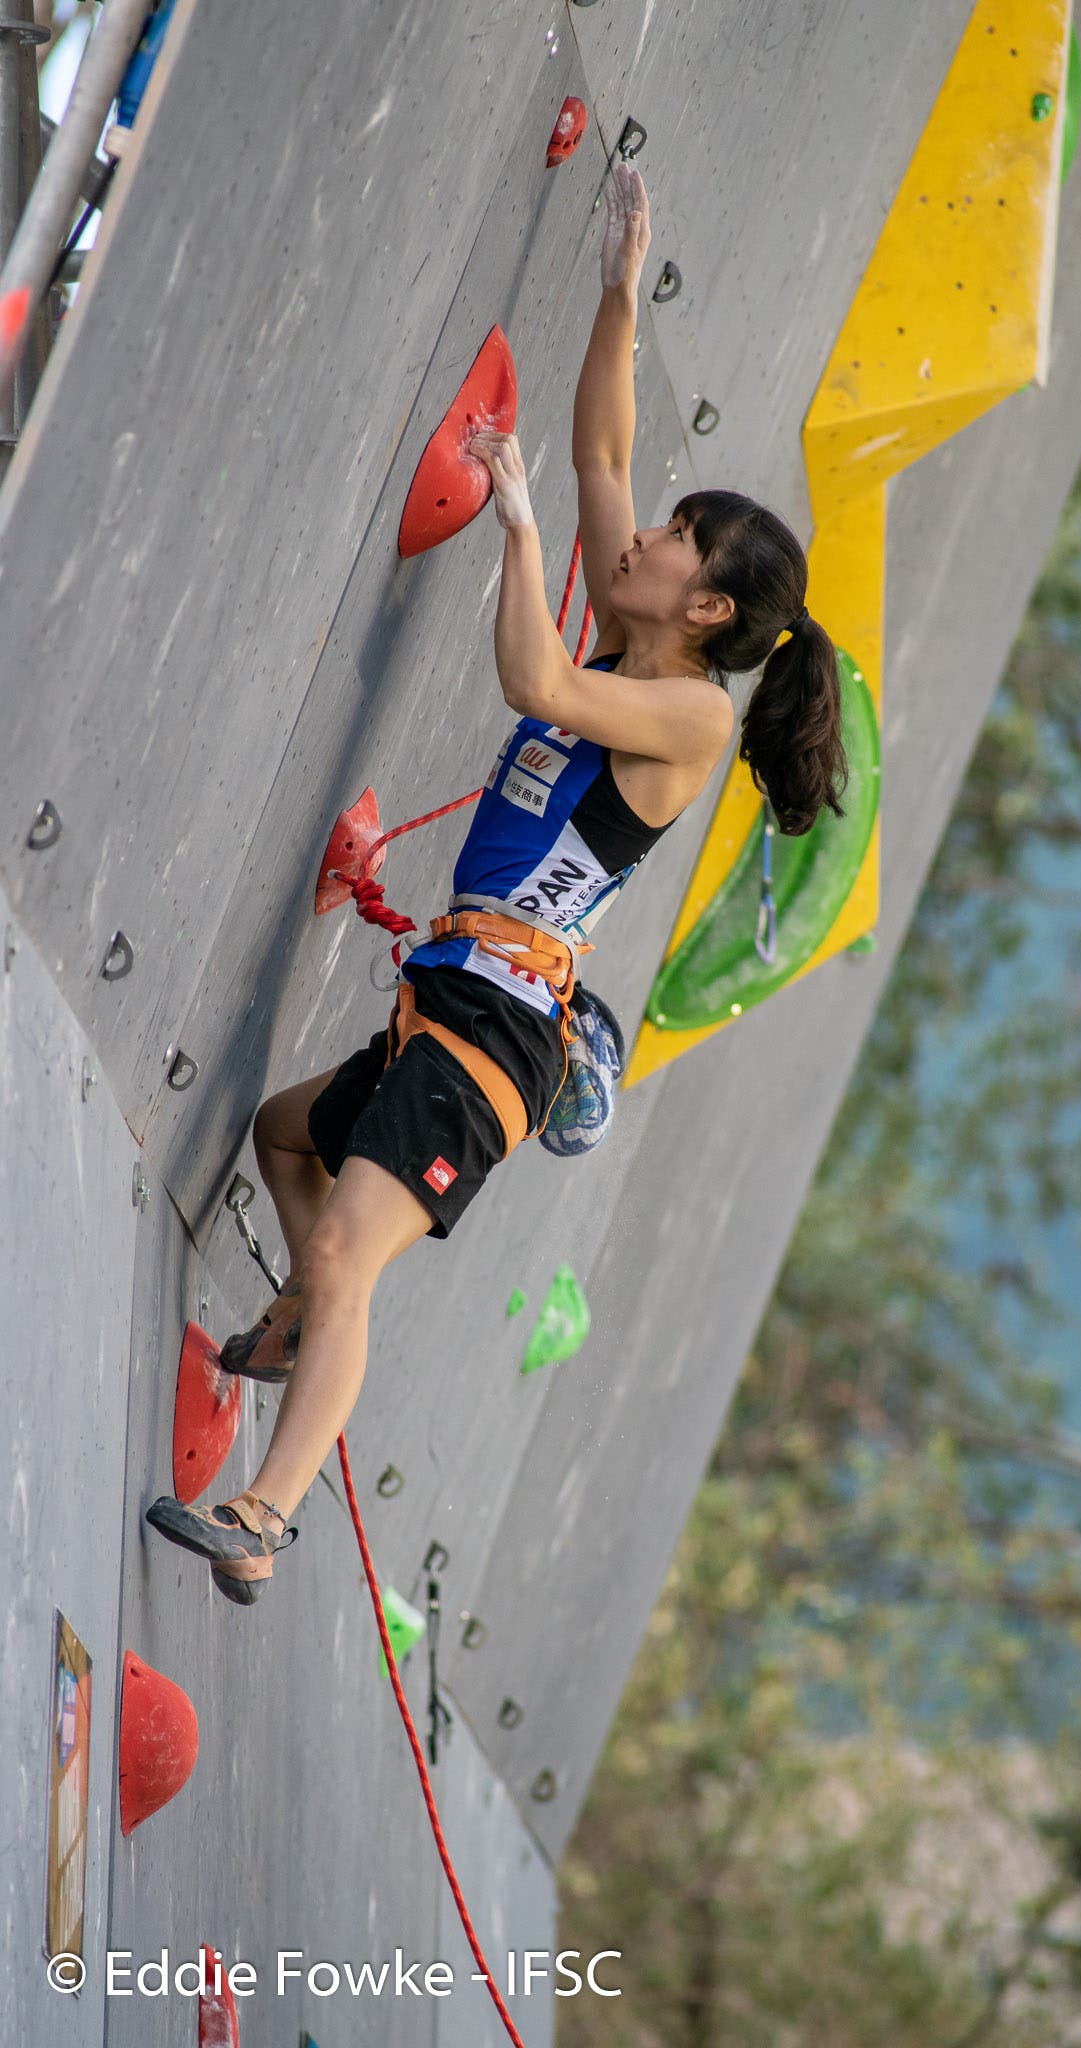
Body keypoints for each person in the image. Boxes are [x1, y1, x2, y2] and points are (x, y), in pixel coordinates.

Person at [144, 162, 848, 1605]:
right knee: (289, 1144)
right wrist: (615, 289)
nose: (638, 537)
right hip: (451, 1000)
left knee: (352, 1250)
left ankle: (267, 1521)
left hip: (498, 1037)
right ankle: (299, 1308)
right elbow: (600, 455)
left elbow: (526, 665)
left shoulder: (687, 719)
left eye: (671, 544)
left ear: (705, 607)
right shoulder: (635, 641)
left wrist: (518, 535)